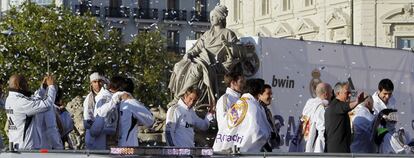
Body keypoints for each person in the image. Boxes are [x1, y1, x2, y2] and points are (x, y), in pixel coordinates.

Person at [168, 5, 241, 109]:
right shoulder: (207, 34)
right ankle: (178, 95)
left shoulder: (228, 33)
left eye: (214, 16)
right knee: (179, 66)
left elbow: (237, 50)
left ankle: (179, 98)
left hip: (214, 64)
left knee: (197, 68)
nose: (211, 19)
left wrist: (230, 46)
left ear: (220, 18)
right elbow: (197, 47)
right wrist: (189, 54)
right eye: (211, 17)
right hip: (202, 59)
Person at [213, 78, 271, 152]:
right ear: (259, 92)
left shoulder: (238, 103)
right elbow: (256, 132)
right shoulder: (253, 106)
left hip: (224, 148)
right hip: (241, 152)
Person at [5, 74, 56, 150]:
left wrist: (43, 88)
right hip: (27, 150)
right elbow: (47, 105)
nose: (27, 85)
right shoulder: (21, 102)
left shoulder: (10, 99)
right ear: (17, 84)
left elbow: (33, 101)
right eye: (25, 82)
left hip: (18, 146)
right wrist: (51, 87)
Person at [325, 81, 364, 153]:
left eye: (350, 93)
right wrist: (356, 102)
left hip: (339, 150)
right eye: (347, 93)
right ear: (338, 93)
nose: (349, 95)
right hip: (338, 152)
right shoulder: (336, 105)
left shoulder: (335, 106)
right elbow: (347, 106)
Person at [117, 78, 154, 146]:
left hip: (115, 147)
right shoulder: (132, 103)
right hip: (129, 148)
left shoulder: (115, 102)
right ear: (132, 89)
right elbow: (150, 121)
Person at [305, 83, 332, 153]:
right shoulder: (321, 108)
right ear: (326, 94)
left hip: (304, 145)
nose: (332, 95)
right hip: (313, 150)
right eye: (331, 93)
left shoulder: (309, 105)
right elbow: (321, 132)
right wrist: (319, 154)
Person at [259, 84, 281, 151]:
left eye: (271, 94)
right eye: (268, 94)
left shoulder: (267, 110)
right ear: (260, 95)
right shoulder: (258, 109)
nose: (270, 96)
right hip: (261, 149)